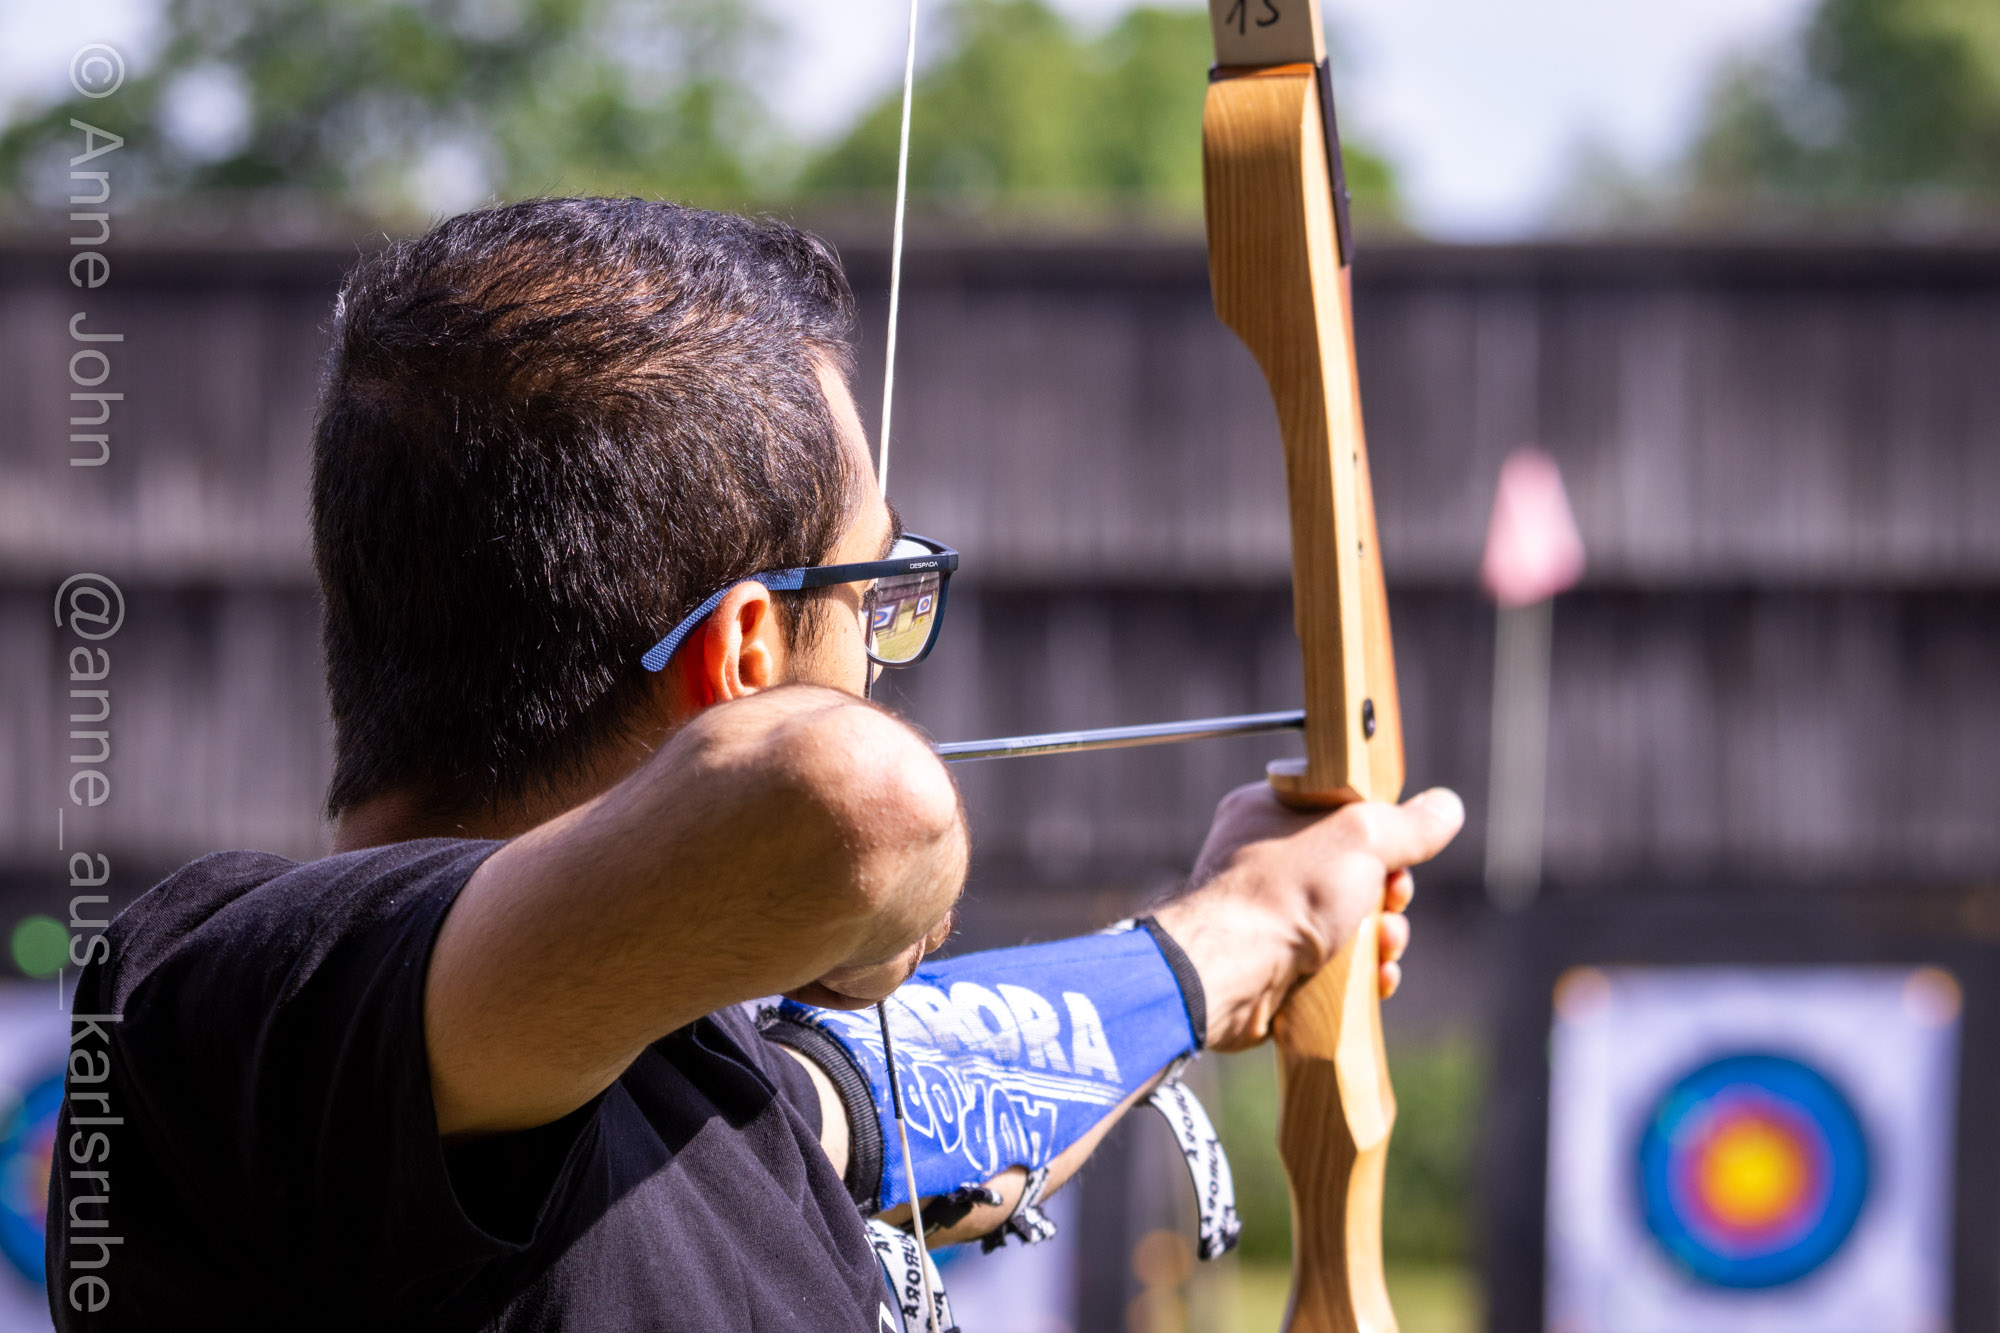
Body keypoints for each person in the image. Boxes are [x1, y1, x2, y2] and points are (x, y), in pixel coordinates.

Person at [47, 198, 1461, 1331]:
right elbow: (852, 802)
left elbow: (894, 1098)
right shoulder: (240, 1010)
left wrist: (1240, 932)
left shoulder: (669, 1075)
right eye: (872, 595)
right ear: (743, 657)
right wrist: (871, 902)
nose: (887, 655)